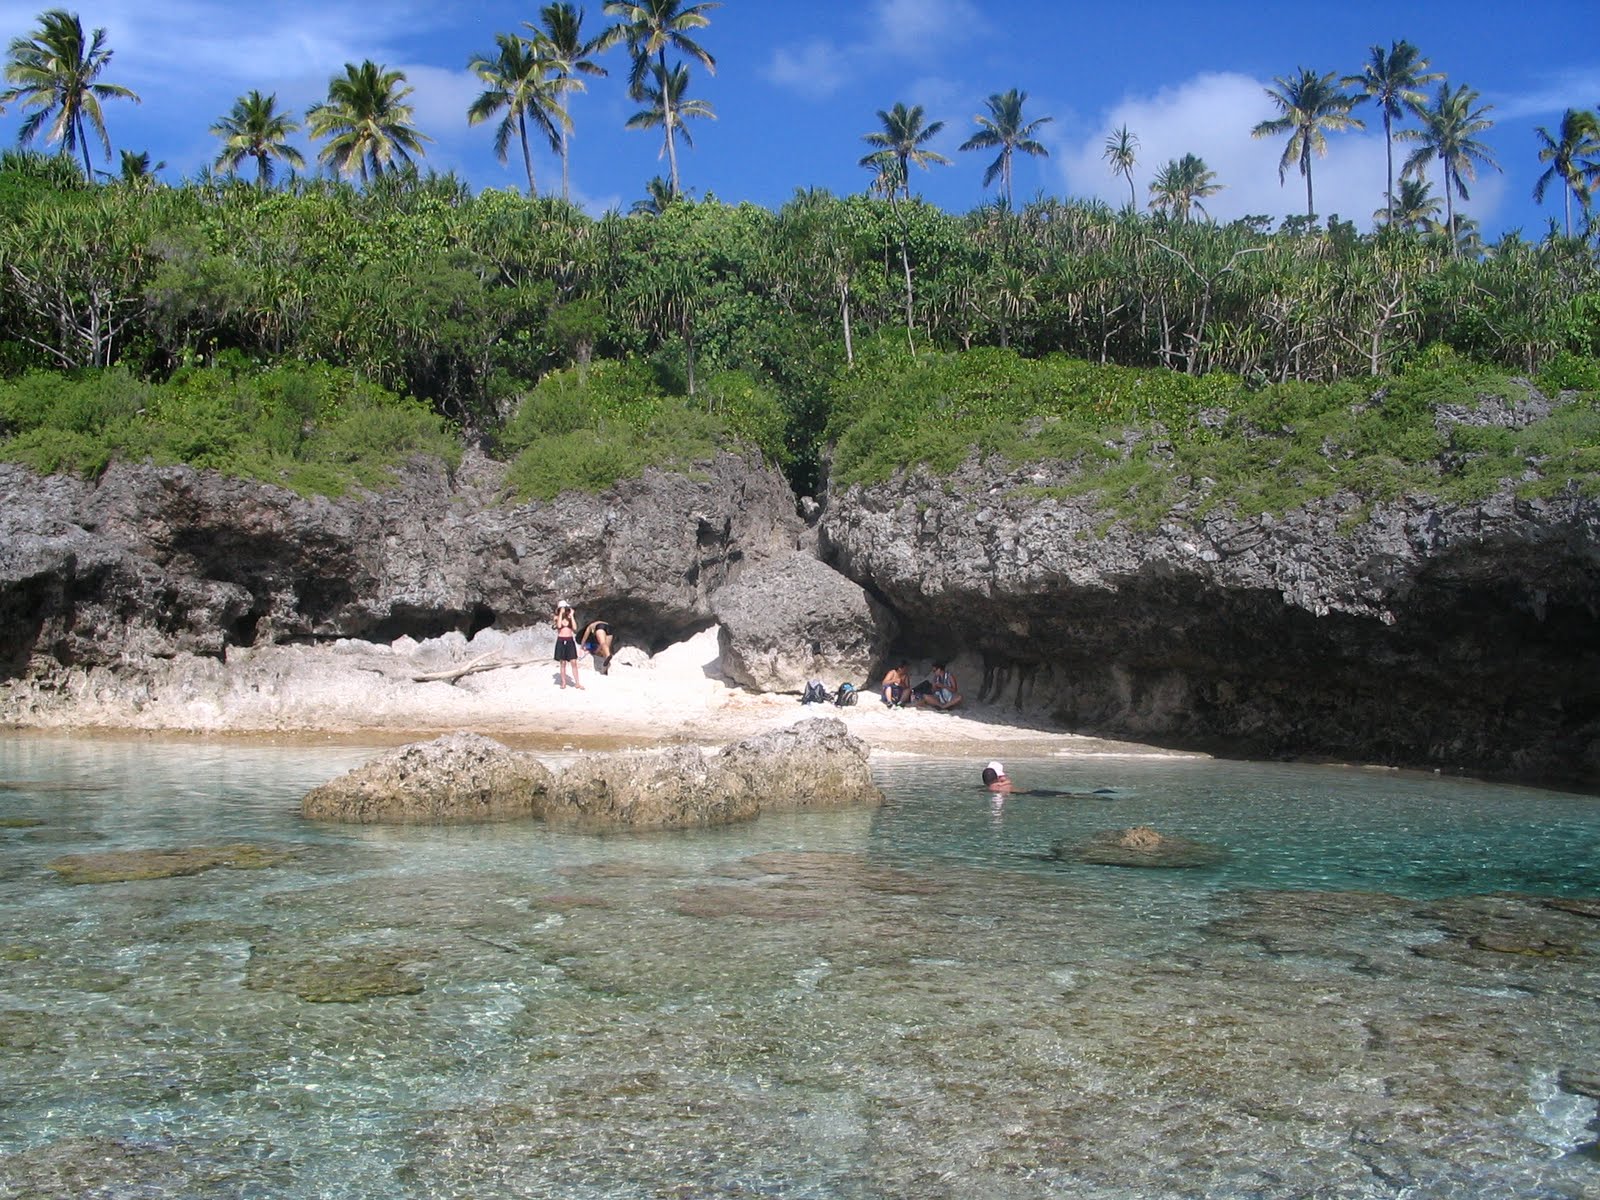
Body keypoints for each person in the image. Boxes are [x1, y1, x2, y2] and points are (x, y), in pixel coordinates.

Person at [553, 601, 583, 689]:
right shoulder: (557, 617)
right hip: (561, 641)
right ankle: (563, 682)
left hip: (570, 641)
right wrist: (561, 614)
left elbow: (575, 628)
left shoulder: (570, 618)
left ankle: (577, 683)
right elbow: (558, 626)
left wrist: (572, 616)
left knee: (574, 662)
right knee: (563, 663)